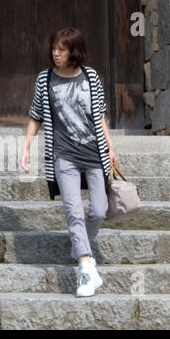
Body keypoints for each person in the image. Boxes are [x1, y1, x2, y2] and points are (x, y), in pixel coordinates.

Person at [19, 27, 118, 298]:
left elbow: (99, 115)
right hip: (63, 156)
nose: (56, 53)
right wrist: (26, 147)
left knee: (99, 210)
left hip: (93, 154)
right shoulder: (45, 78)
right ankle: (86, 267)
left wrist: (109, 147)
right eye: (54, 48)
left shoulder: (90, 76)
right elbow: (36, 115)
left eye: (62, 49)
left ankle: (79, 247)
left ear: (74, 50)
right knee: (74, 211)